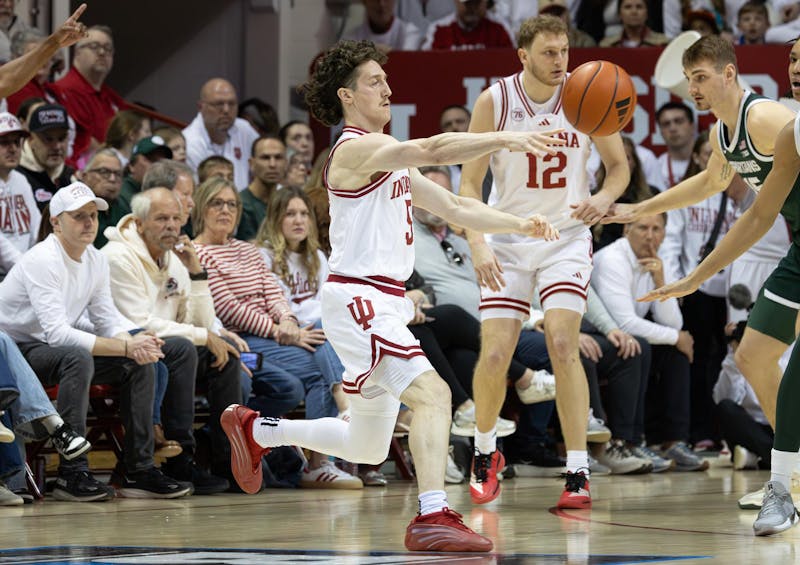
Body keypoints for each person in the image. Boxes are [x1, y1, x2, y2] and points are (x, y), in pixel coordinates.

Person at [219, 39, 561, 553]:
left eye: (386, 79)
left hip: (382, 302)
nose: (388, 88)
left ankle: (259, 430)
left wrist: (520, 224)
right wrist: (506, 139)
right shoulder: (355, 149)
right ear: (347, 95)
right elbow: (432, 148)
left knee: (366, 443)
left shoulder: (390, 159)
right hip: (361, 300)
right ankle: (432, 514)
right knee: (435, 394)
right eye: (375, 81)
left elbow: (452, 205)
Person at [610, 35, 799, 536]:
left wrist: (696, 277)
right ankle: (792, 473)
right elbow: (713, 183)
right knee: (752, 356)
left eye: (700, 77)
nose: (692, 88)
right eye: (689, 79)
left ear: (729, 74)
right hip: (797, 247)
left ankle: (786, 481)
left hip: (788, 242)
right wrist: (641, 206)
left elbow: (758, 216)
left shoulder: (768, 119)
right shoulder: (723, 133)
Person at [459, 14, 628, 509]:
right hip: (507, 238)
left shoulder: (586, 93)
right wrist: (477, 243)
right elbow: (468, 186)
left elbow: (619, 169)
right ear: (524, 56)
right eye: (550, 53)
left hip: (566, 237)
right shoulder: (495, 101)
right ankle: (486, 451)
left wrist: (602, 199)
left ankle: (577, 469)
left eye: (565, 51)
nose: (561, 61)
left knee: (561, 342)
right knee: (494, 355)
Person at [0, 182, 192, 500]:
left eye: (92, 215)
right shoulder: (43, 259)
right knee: (77, 356)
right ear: (56, 222)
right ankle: (72, 474)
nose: (89, 222)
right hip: (14, 351)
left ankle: (139, 469)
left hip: (47, 346)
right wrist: (125, 345)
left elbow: (106, 319)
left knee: (137, 361)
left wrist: (134, 341)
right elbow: (57, 333)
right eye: (79, 216)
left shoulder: (95, 259)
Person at [102, 188, 240, 494]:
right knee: (184, 348)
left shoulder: (175, 258)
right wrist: (203, 336)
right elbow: (140, 322)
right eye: (161, 218)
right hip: (130, 348)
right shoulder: (117, 257)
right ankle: (181, 458)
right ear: (139, 223)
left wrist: (196, 272)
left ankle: (228, 463)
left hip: (170, 347)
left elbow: (199, 323)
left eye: (176, 219)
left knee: (226, 358)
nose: (171, 226)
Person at [50, 24, 129, 164]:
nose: (102, 52)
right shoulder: (64, 91)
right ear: (77, 52)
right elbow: (86, 143)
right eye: (94, 46)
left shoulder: (112, 98)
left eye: (108, 48)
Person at [183, 78, 259, 191]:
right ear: (200, 107)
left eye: (232, 104)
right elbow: (201, 191)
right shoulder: (189, 141)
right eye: (219, 104)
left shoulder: (243, 128)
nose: (226, 110)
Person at [0, 113, 39, 278]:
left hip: (26, 270)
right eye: (4, 143)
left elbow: (36, 227)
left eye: (16, 142)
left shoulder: (21, 180)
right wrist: (26, 269)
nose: (13, 148)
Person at [17, 103, 75, 210]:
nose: (57, 146)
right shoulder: (14, 176)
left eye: (62, 139)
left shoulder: (72, 179)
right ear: (31, 139)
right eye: (48, 139)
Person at [236, 136, 286, 241]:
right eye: (265, 158)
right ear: (251, 163)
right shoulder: (239, 204)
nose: (272, 164)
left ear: (286, 162)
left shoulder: (290, 203)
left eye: (278, 157)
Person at [77, 148, 126, 248]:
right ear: (85, 176)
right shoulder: (76, 207)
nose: (112, 179)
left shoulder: (123, 207)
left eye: (118, 174)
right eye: (104, 172)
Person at [422, 0, 514, 50]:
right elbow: (426, 66)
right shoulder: (438, 30)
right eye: (467, 3)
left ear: (486, 2)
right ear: (456, 1)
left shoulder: (500, 29)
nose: (472, 8)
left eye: (476, 3)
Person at [118, 135, 173, 210]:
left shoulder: (164, 193)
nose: (158, 166)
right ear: (132, 165)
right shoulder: (120, 194)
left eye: (163, 162)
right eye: (151, 159)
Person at [344, 0, 424, 51]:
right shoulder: (350, 39)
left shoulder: (410, 34)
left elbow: (407, 62)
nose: (381, 4)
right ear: (364, 2)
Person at [654, 102, 696, 191]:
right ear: (660, 131)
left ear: (692, 126)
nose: (672, 128)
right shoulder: (656, 167)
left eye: (679, 121)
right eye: (666, 124)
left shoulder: (708, 162)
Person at [599, 0, 669, 47]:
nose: (634, 11)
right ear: (619, 14)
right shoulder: (607, 45)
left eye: (639, 7)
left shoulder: (663, 43)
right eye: (628, 7)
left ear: (647, 14)